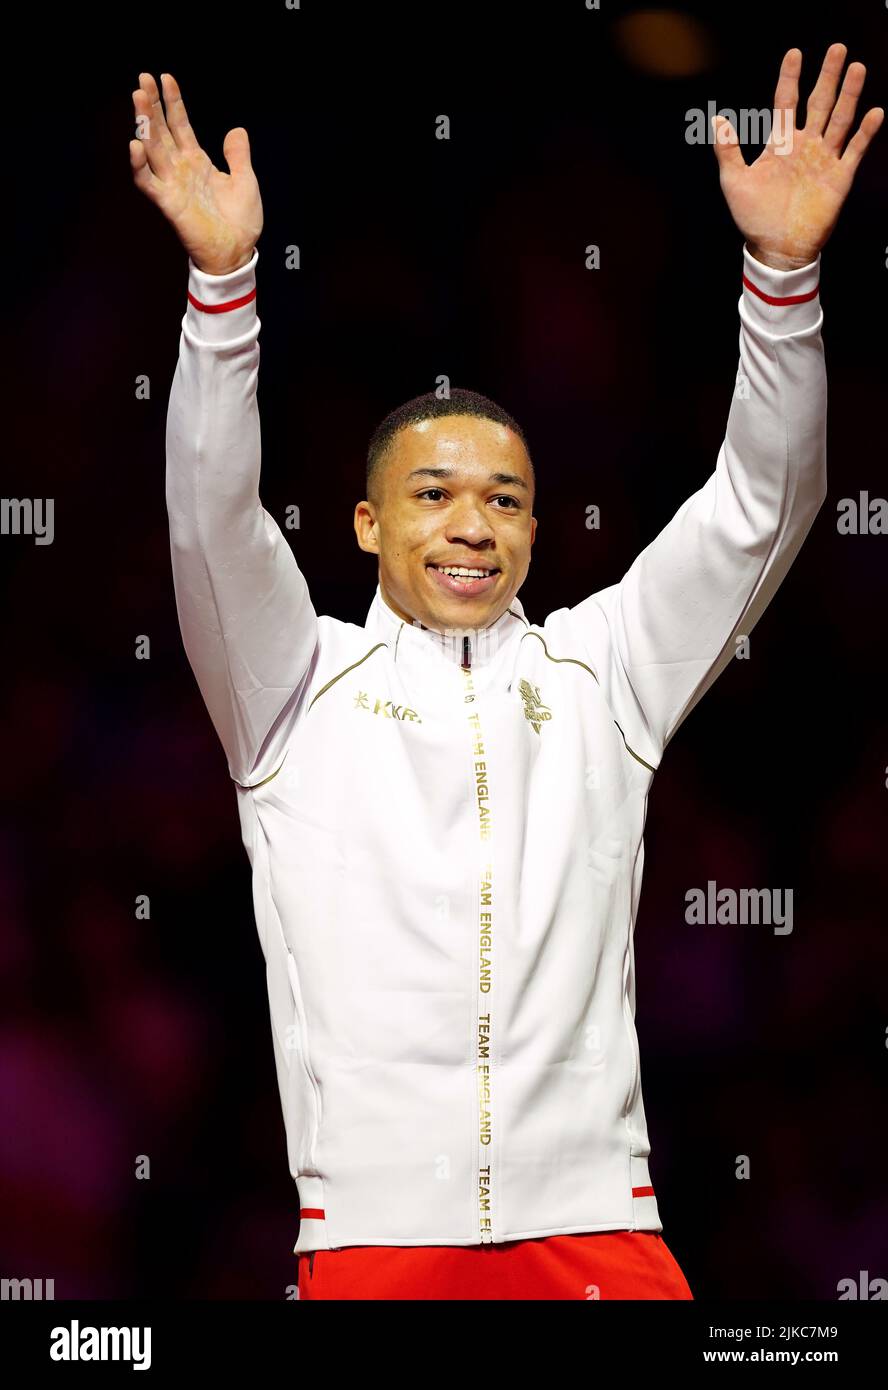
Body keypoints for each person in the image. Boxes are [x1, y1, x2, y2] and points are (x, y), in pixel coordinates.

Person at [130, 47, 881, 1300]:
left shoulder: (606, 675)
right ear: (366, 525)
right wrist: (223, 294)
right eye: (431, 494)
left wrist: (784, 282)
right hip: (375, 1240)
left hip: (601, 1230)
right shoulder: (290, 685)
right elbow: (212, 519)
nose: (471, 523)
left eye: (505, 499)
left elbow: (766, 502)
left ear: (537, 531)